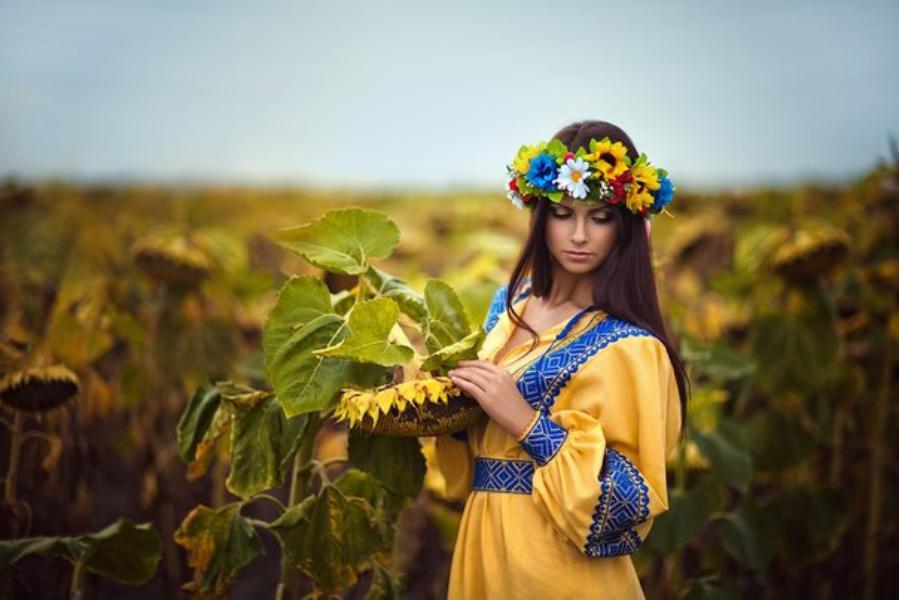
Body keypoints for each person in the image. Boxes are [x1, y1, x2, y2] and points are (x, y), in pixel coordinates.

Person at [437, 120, 689, 599]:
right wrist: (434, 402)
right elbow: (472, 455)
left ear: (627, 225)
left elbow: (630, 503)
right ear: (539, 216)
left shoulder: (632, 347)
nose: (578, 235)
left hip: (558, 568)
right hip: (484, 545)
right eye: (562, 213)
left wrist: (527, 423)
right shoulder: (509, 306)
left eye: (600, 217)